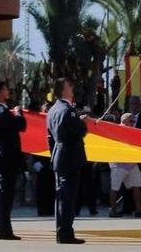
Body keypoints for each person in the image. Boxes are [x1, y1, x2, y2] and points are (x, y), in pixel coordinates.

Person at [47, 78, 88, 245]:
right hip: (70, 156)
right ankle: (65, 233)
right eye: (69, 86)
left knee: (62, 196)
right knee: (68, 197)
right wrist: (82, 122)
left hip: (60, 155)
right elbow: (79, 131)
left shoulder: (52, 110)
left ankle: (62, 231)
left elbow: (50, 137)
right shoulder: (67, 110)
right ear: (63, 90)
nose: (72, 89)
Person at [0, 81, 27, 240]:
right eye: (6, 89)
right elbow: (21, 125)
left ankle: (1, 229)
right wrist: (18, 112)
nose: (9, 90)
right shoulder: (2, 112)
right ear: (1, 92)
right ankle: (3, 231)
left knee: (1, 195)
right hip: (6, 159)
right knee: (4, 196)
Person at [108, 113, 141, 218]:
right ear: (124, 121)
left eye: (134, 121)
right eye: (131, 121)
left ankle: (138, 209)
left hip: (132, 163)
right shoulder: (115, 130)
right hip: (118, 164)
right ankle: (113, 209)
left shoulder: (134, 131)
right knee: (115, 187)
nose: (133, 123)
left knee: (137, 185)